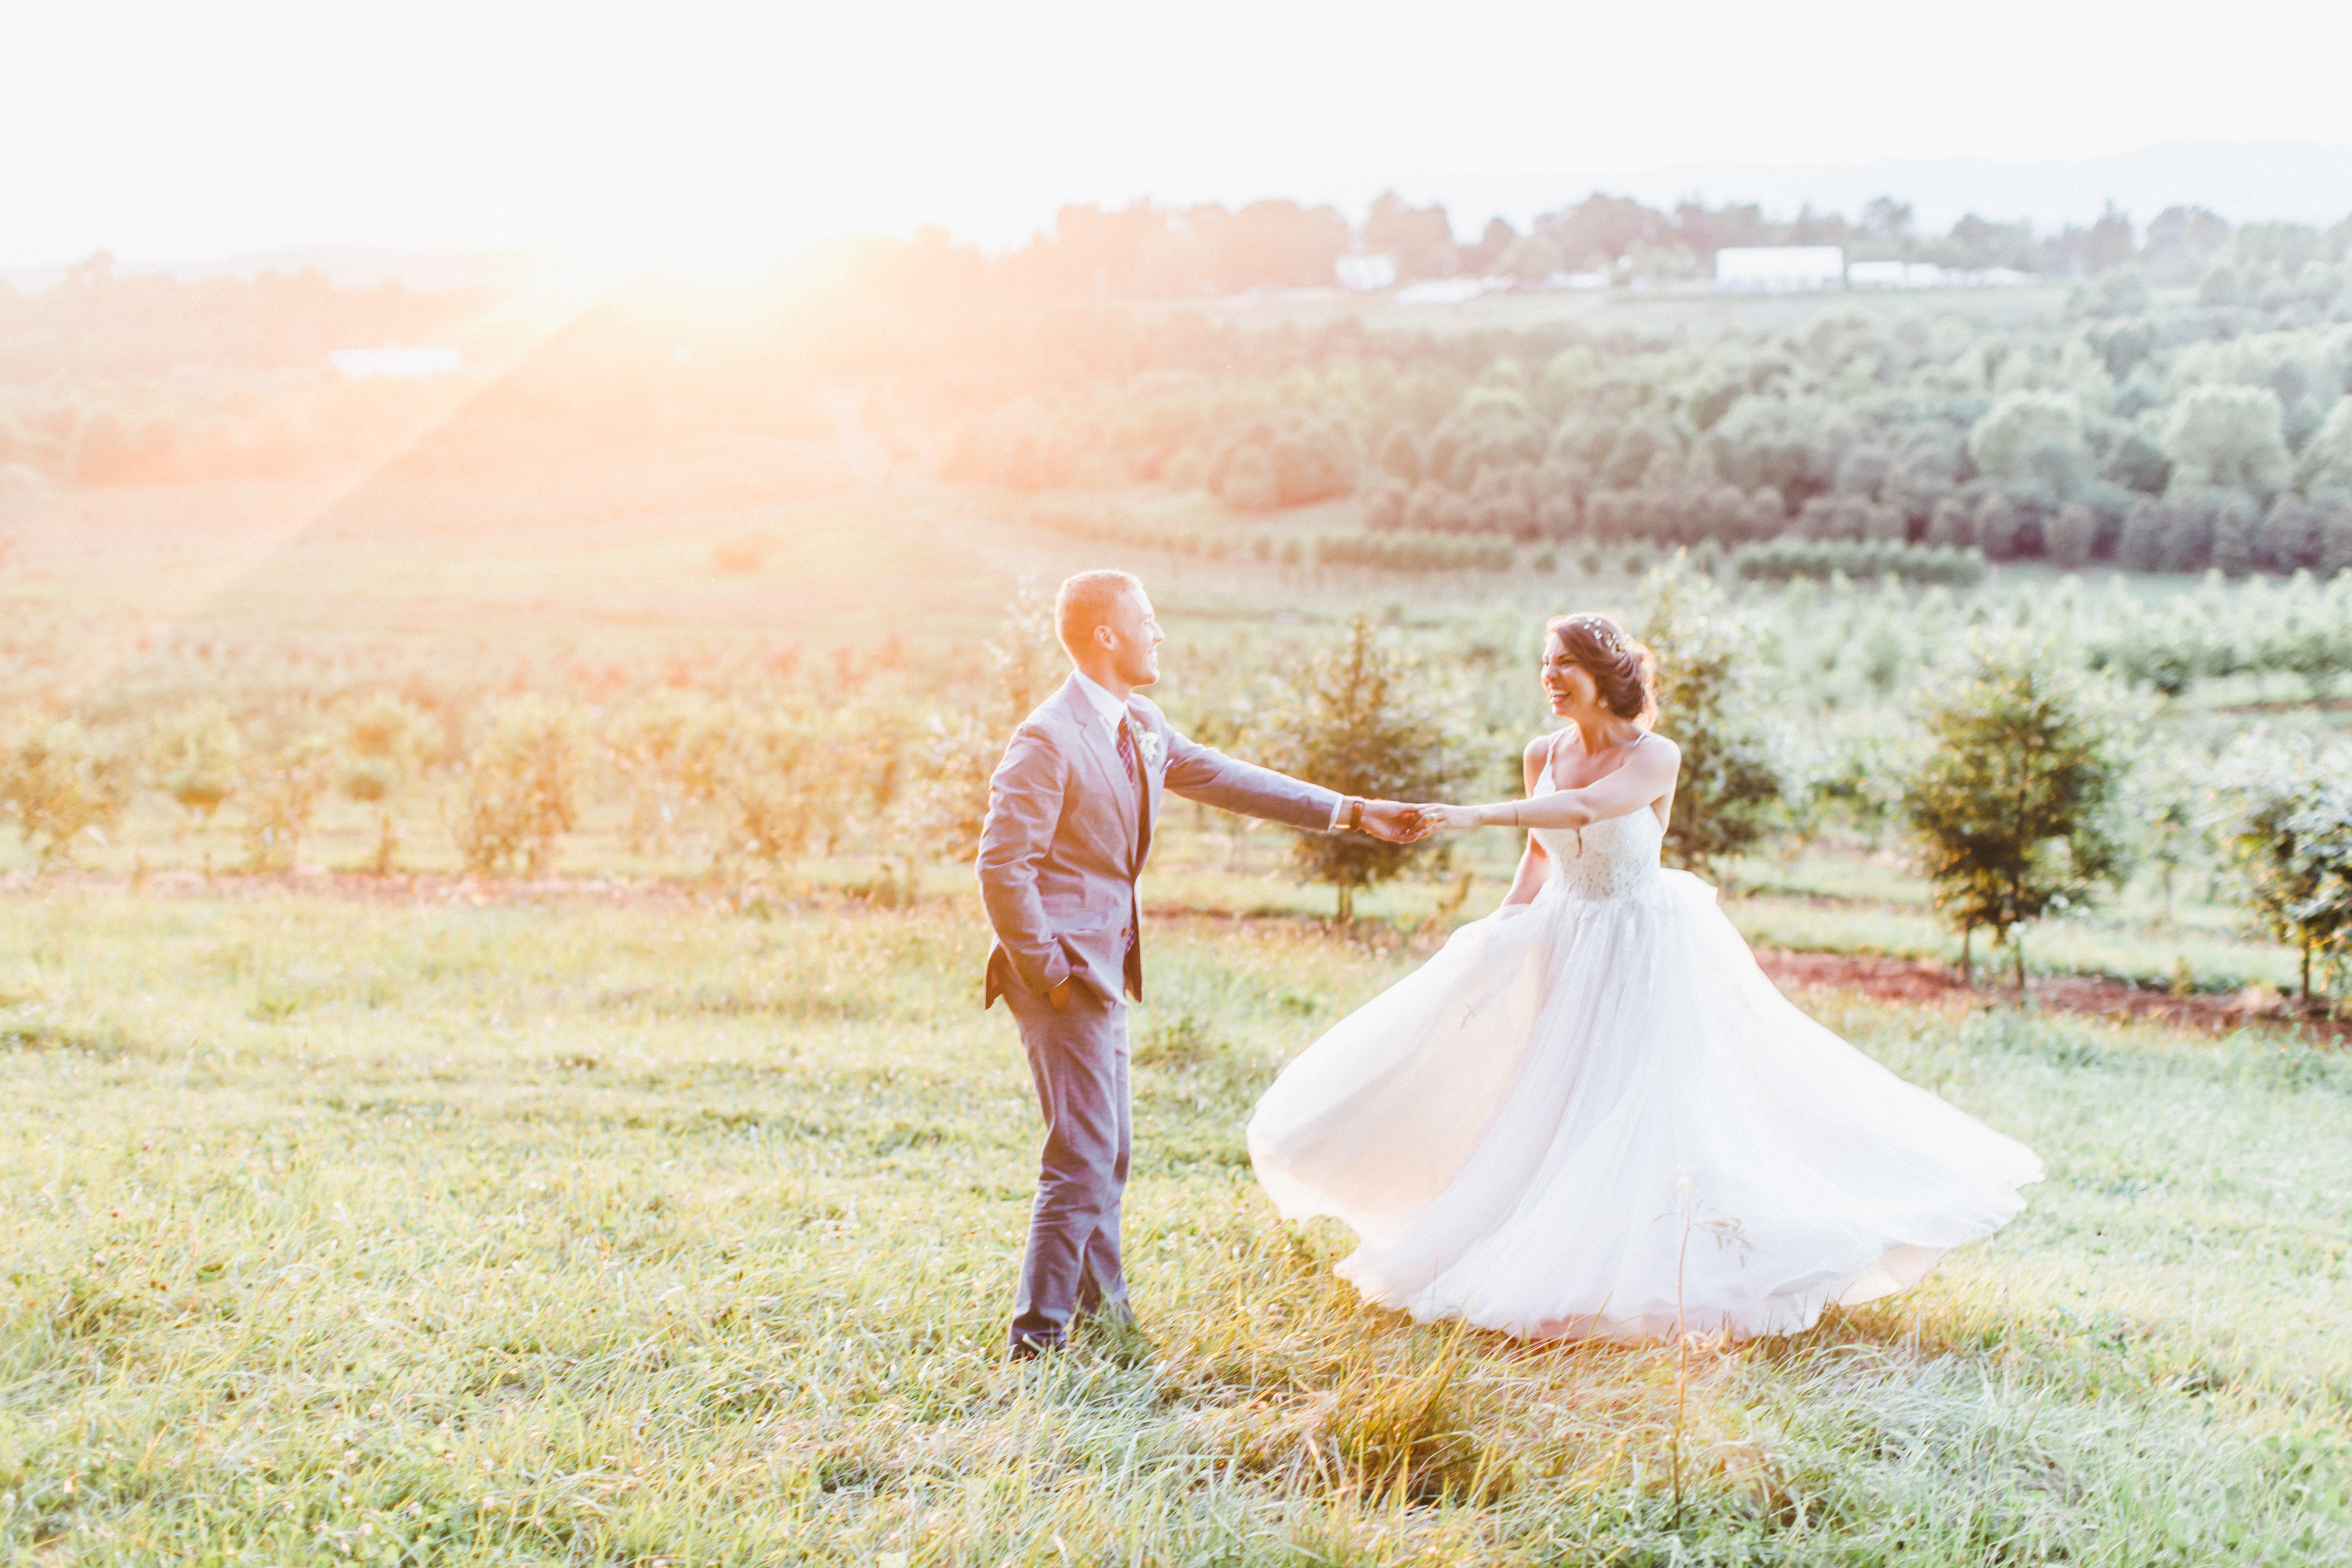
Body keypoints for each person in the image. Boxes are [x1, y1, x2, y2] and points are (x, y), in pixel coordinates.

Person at [1246, 611, 2043, 1342]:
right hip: (1565, 936)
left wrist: (1472, 815)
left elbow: (1584, 811)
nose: (1549, 677)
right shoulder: (1540, 753)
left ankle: (1676, 1263)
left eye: (1564, 664)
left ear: (1605, 673)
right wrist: (1501, 932)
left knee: (1643, 1097)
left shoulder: (1655, 756)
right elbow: (1540, 857)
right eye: (1544, 664)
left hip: (1644, 941)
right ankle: (1555, 1243)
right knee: (1554, 1095)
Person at [978, 569, 1427, 1360]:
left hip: (1104, 973)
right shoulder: (1047, 738)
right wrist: (1048, 970)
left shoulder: (1142, 724)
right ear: (1107, 635)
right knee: (1080, 1159)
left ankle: (1107, 1320)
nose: (1159, 634)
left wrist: (1355, 812)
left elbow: (1230, 780)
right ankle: (1037, 1341)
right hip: (1062, 977)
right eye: (1147, 620)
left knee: (1106, 1154)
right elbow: (1001, 865)